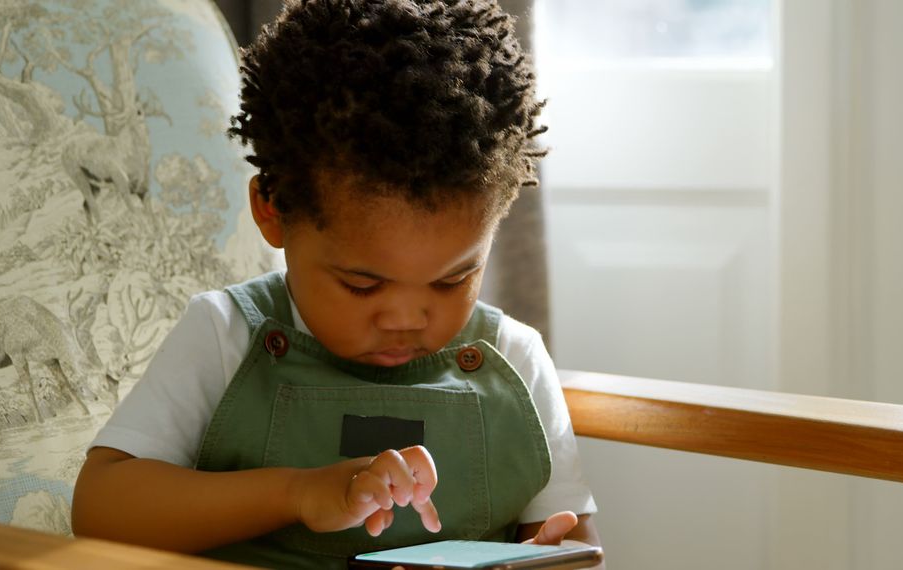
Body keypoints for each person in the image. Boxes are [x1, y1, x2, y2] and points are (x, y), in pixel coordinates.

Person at [70, 0, 601, 568]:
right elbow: (102, 509)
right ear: (272, 211)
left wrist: (554, 555)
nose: (405, 318)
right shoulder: (224, 336)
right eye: (362, 285)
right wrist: (297, 493)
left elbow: (570, 540)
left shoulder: (514, 359)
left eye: (453, 279)